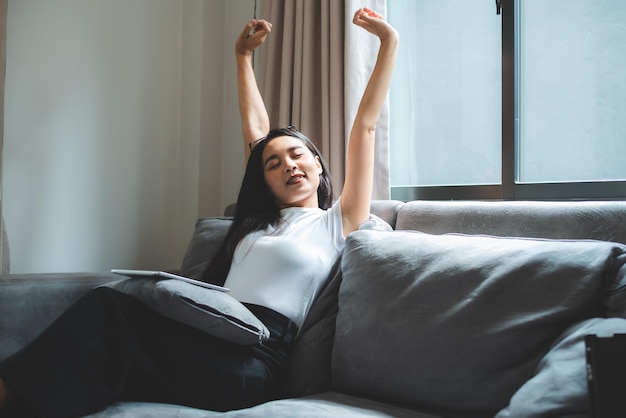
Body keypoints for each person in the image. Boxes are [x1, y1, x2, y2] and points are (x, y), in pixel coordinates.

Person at [0, 7, 398, 418]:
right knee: (107, 331)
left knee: (109, 314)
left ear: (317, 162)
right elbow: (255, 132)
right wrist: (242, 58)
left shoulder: (337, 222)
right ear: (263, 180)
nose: (288, 166)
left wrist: (388, 43)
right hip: (207, 333)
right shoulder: (258, 224)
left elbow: (365, 127)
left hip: (254, 363)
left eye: (297, 155)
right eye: (273, 164)